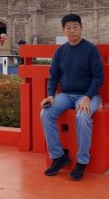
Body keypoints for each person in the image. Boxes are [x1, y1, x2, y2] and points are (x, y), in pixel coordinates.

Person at [40, 13, 104, 181]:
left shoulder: (91, 49)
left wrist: (88, 97)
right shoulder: (60, 52)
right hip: (66, 95)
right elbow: (53, 77)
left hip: (88, 95)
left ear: (81, 28)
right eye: (68, 28)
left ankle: (82, 161)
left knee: (82, 116)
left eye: (75, 27)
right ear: (64, 31)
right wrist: (50, 95)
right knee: (45, 113)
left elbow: (98, 77)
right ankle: (58, 157)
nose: (72, 31)